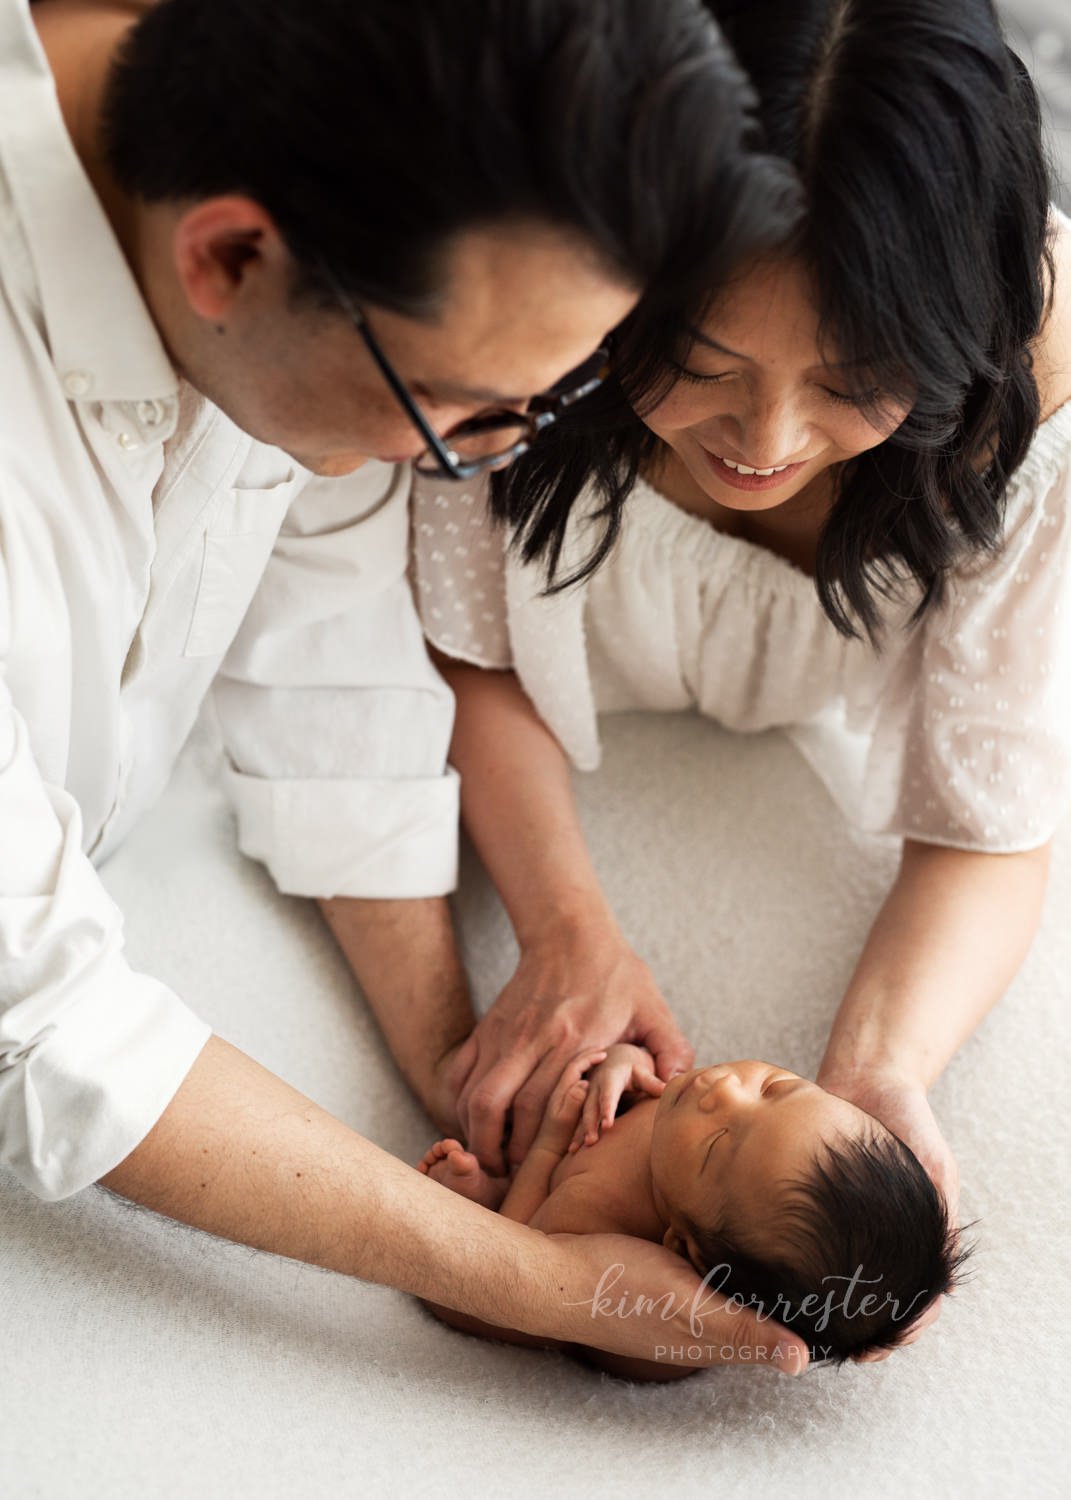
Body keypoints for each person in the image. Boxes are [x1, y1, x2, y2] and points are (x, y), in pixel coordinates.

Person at [0, 0, 811, 1373]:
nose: (472, 465)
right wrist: (538, 1282)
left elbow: (314, 611)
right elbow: (37, 1024)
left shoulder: (317, 286)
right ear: (233, 254)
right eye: (470, 409)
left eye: (547, 398)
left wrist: (465, 1053)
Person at [411, 0, 1069, 1278]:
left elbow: (991, 820)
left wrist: (880, 1071)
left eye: (850, 381)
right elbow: (467, 653)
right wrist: (565, 932)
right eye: (701, 364)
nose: (764, 443)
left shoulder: (1025, 394)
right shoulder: (524, 281)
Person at [417, 1048, 969, 1377]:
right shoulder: (724, 1156)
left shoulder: (601, 1223)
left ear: (683, 1247)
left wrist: (543, 1149)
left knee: (468, 1283)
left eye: (718, 1142)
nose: (723, 1089)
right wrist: (625, 1064)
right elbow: (649, 1070)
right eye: (777, 1087)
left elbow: (516, 1256)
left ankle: (475, 1188)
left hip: (522, 1241)